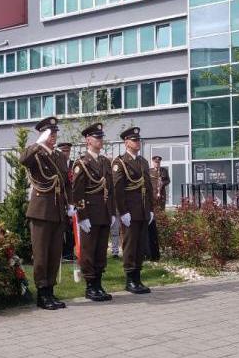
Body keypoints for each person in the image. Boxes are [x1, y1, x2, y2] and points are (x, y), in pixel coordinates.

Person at [20, 116, 73, 310]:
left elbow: (66, 183)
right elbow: (22, 159)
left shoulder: (59, 156)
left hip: (58, 210)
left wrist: (70, 204)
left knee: (54, 254)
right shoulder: (36, 154)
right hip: (41, 211)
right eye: (50, 133)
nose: (53, 136)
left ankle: (50, 290)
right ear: (43, 134)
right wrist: (37, 143)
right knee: (41, 254)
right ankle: (42, 293)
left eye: (55, 133)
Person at [71, 123, 115, 302]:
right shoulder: (81, 163)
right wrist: (82, 216)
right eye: (97, 138)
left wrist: (111, 212)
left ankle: (98, 284)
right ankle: (90, 286)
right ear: (88, 140)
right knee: (89, 251)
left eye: (101, 137)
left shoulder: (105, 161)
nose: (100, 140)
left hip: (104, 213)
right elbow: (77, 192)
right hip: (89, 214)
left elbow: (109, 189)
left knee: (100, 251)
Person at [112, 127, 155, 294]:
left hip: (143, 210)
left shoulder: (143, 162)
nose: (137, 142)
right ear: (126, 142)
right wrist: (123, 212)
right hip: (130, 211)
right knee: (130, 245)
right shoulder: (120, 162)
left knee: (140, 245)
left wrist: (150, 209)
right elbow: (118, 189)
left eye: (138, 140)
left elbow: (148, 187)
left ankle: (138, 278)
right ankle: (130, 279)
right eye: (134, 140)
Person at [147, 155, 170, 261]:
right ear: (153, 162)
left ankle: (161, 227)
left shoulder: (164, 171)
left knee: (161, 213)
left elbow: (168, 180)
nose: (157, 164)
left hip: (161, 196)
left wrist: (162, 183)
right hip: (152, 196)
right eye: (156, 162)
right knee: (152, 214)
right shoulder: (149, 171)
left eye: (159, 162)